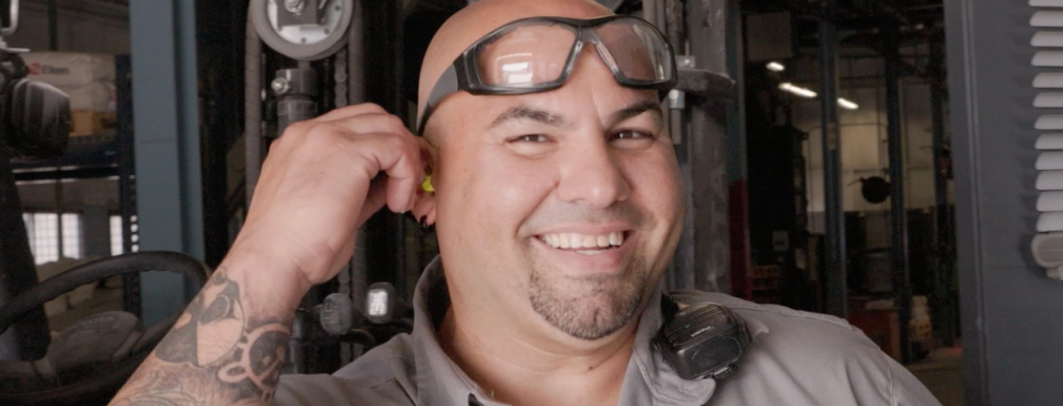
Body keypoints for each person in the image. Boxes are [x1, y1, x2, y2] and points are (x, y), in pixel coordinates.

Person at [108, 0, 942, 405]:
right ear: (421, 183)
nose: (600, 184)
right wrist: (267, 262)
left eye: (632, 133)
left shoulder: (825, 377)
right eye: (530, 136)